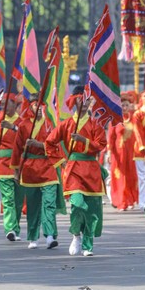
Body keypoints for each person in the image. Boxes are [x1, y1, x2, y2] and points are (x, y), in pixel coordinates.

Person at [46, 87, 107, 257]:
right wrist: (61, 161)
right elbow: (49, 142)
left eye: (87, 100)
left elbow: (101, 144)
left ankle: (88, 245)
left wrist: (83, 140)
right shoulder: (66, 125)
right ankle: (75, 235)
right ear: (75, 101)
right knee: (78, 204)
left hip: (92, 170)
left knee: (92, 209)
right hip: (73, 170)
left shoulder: (95, 124)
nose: (85, 103)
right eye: (81, 100)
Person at [12, 94, 62, 250]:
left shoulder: (50, 125)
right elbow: (17, 148)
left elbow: (55, 147)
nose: (39, 109)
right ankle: (33, 237)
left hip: (48, 167)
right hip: (30, 169)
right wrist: (15, 170)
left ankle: (50, 235)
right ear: (30, 107)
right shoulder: (24, 125)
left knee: (49, 204)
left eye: (41, 106)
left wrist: (39, 145)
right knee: (33, 205)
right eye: (35, 106)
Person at [0, 94, 25, 241]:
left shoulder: (22, 123)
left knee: (19, 200)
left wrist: (13, 128)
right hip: (3, 163)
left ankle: (16, 227)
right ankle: (10, 228)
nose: (4, 106)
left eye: (8, 104)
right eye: (2, 104)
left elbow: (26, 137)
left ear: (15, 105)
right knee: (8, 199)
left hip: (19, 164)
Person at [106, 92, 139, 211]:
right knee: (120, 177)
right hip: (118, 153)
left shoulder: (134, 119)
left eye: (126, 105)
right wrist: (110, 153)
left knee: (131, 176)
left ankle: (130, 199)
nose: (124, 108)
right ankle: (121, 201)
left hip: (131, 153)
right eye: (122, 106)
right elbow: (110, 137)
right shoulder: (114, 119)